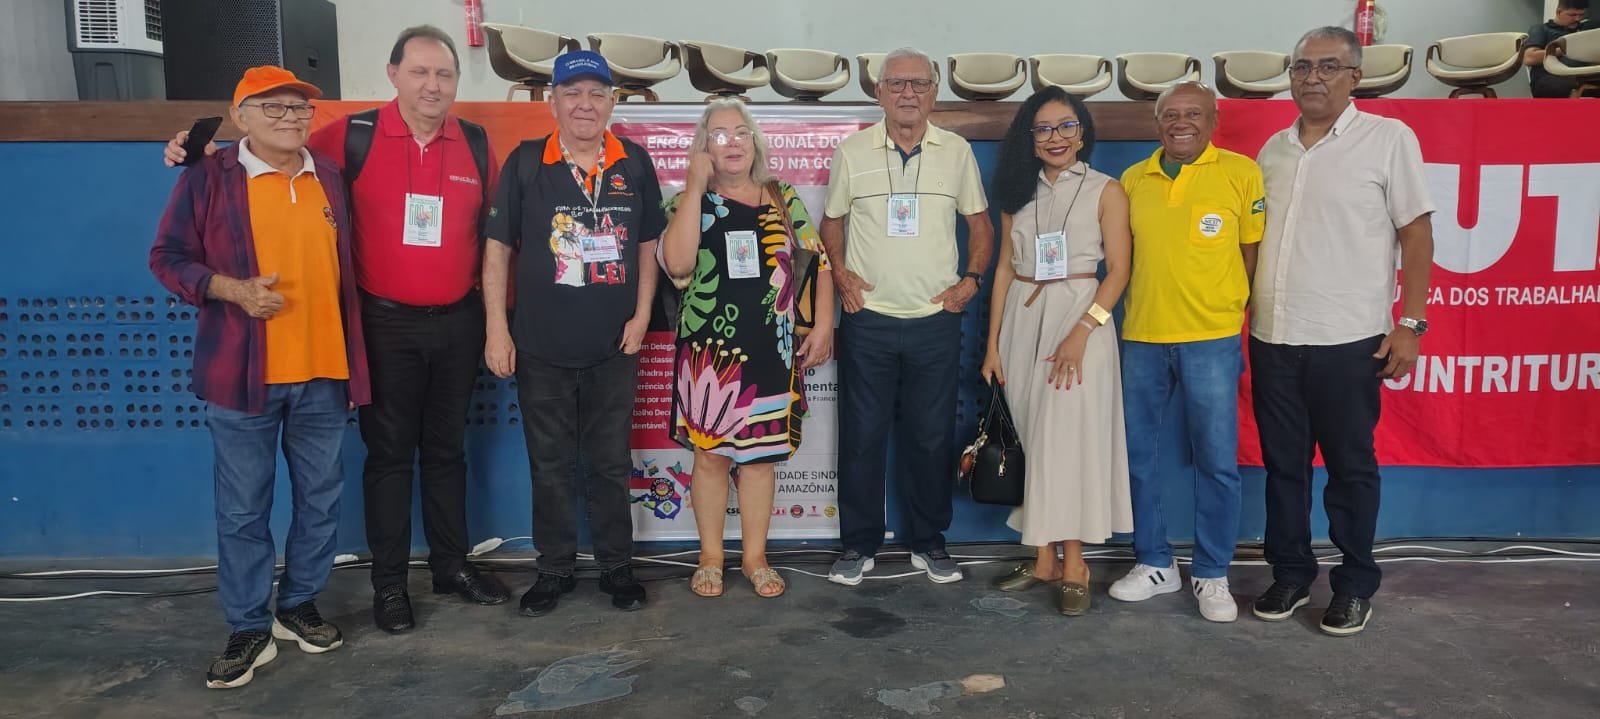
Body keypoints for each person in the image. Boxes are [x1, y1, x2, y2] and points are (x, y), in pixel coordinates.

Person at [166, 26, 508, 634]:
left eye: (444, 74)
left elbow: (493, 240)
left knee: (447, 452)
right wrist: (196, 152)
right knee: (388, 457)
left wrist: (494, 322)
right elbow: (268, 146)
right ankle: (390, 586)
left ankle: (451, 567)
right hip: (382, 323)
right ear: (394, 75)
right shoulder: (350, 137)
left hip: (457, 322)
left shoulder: (476, 144)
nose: (432, 85)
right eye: (420, 72)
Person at [150, 66, 370, 689]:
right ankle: (248, 625)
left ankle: (298, 604)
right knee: (244, 509)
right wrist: (232, 290)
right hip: (243, 376)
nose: (290, 118)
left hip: (325, 371)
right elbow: (166, 257)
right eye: (273, 107)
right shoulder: (209, 176)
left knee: (321, 499)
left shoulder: (330, 176)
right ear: (240, 116)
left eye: (299, 108)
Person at [1250, 27, 1435, 636]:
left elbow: (1416, 234)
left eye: (1328, 66)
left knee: (1351, 468)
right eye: (1301, 66)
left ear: (1355, 77)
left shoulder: (1388, 139)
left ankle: (1354, 584)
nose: (1313, 77)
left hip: (1349, 341)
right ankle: (1291, 574)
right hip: (1274, 337)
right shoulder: (1273, 150)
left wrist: (1410, 324)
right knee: (1284, 469)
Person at [482, 50, 664, 616]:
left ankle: (616, 566)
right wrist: (496, 328)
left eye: (596, 93)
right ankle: (554, 570)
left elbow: (647, 248)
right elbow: (496, 250)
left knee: (611, 464)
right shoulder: (526, 163)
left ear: (612, 101)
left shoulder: (633, 163)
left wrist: (642, 316)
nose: (585, 104)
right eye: (572, 93)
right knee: (550, 465)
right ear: (554, 102)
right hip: (540, 346)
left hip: (615, 347)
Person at [818, 46, 994, 587]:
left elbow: (981, 225)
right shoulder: (852, 152)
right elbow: (831, 223)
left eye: (919, 83)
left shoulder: (956, 152)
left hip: (935, 322)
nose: (908, 93)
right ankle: (858, 545)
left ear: (935, 92)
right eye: (896, 83)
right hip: (868, 320)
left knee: (931, 437)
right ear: (879, 93)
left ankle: (928, 542)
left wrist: (971, 281)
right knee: (861, 439)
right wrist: (842, 276)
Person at [659, 100, 835, 599]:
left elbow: (817, 262)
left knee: (759, 461)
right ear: (703, 147)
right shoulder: (685, 202)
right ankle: (711, 557)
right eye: (719, 135)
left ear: (754, 142)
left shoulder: (782, 196)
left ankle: (755, 557)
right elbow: (677, 264)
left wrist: (824, 325)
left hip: (770, 350)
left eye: (741, 132)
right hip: (707, 357)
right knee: (711, 459)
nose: (732, 142)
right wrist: (695, 185)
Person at [1106, 82, 1263, 623]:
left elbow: (1251, 254)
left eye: (1193, 113)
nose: (1181, 123)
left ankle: (1212, 571)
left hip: (1212, 337)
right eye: (1170, 114)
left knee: (1217, 460)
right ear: (1157, 123)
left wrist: (1226, 308)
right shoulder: (1133, 180)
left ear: (1213, 120)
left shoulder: (1241, 173)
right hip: (1142, 336)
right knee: (1137, 455)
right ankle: (1154, 562)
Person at [980, 87, 1133, 616]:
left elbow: (1119, 271)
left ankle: (1076, 564)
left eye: (1066, 126)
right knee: (1032, 439)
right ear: (1030, 137)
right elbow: (1004, 269)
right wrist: (993, 345)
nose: (1055, 138)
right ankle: (1043, 558)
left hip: (1081, 321)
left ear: (1082, 133)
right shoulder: (1016, 192)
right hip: (1023, 320)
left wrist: (1082, 330)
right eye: (1043, 128)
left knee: (1068, 443)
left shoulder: (1106, 190)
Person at [1525, 0, 1597, 98]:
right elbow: (1529, 58)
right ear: (1559, 12)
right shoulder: (1542, 29)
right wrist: (1563, 49)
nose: (1577, 19)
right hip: (1549, 78)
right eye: (1572, 15)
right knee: (1574, 88)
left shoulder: (1585, 28)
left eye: (1581, 15)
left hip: (1582, 77)